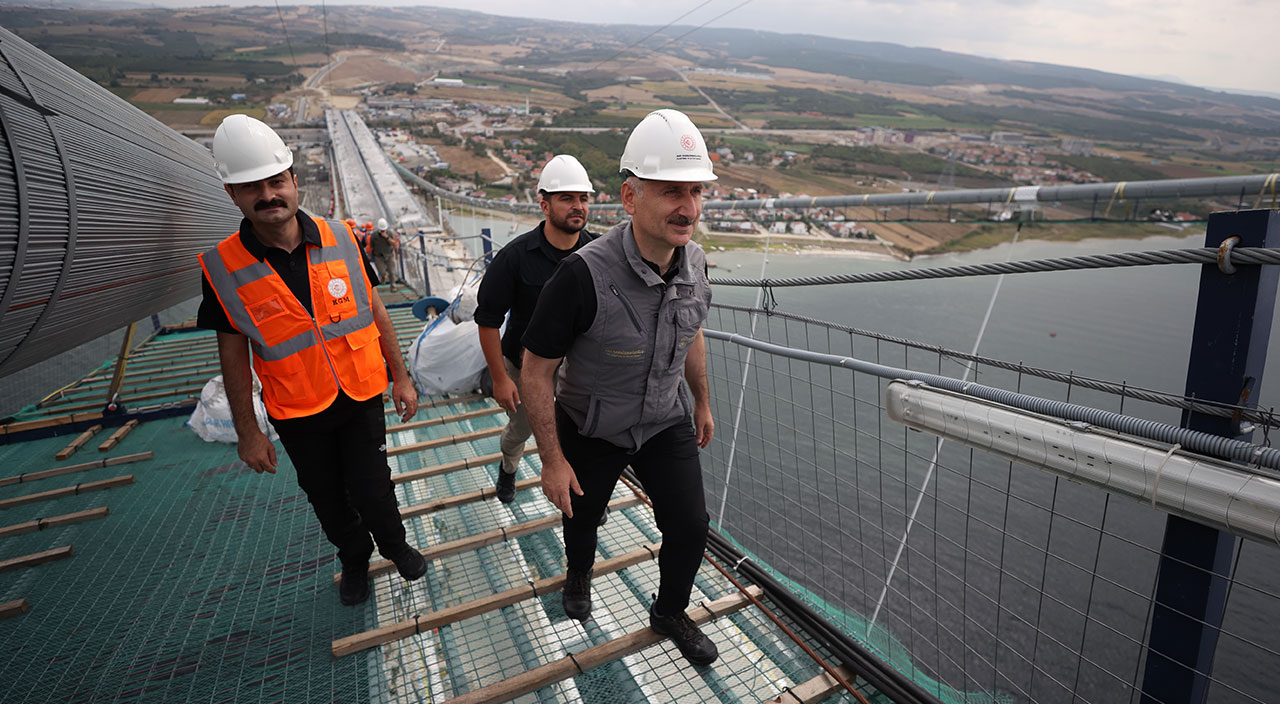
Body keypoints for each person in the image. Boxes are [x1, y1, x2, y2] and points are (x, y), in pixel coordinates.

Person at [196, 114, 426, 607]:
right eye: (252, 187)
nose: (268, 195)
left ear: (294, 181)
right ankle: (355, 559)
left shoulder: (341, 236)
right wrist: (248, 432)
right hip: (298, 409)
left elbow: (375, 309)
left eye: (276, 181)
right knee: (327, 500)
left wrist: (401, 377)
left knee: (373, 489)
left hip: (360, 393)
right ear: (232, 195)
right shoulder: (223, 267)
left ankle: (395, 546)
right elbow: (232, 353)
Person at [520, 110, 719, 666]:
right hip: (592, 424)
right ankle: (578, 572)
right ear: (631, 198)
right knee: (583, 518)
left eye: (696, 191)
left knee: (691, 525)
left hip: (663, 418)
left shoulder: (696, 263)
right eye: (671, 191)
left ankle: (670, 610)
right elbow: (535, 370)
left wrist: (702, 402)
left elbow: (691, 331)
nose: (689, 207)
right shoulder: (581, 275)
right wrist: (552, 460)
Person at [473, 155, 598, 504]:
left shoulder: (598, 252)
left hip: (577, 367)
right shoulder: (515, 257)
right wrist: (500, 379)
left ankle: (583, 493)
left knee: (579, 432)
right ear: (544, 205)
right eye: (567, 198)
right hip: (524, 366)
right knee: (521, 430)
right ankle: (508, 467)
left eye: (583, 198)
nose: (578, 206)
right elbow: (488, 320)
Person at [371, 217, 400, 291]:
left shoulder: (390, 233)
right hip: (379, 256)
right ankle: (383, 277)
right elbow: (371, 246)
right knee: (382, 272)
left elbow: (394, 243)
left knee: (391, 271)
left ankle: (393, 286)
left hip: (389, 255)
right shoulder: (374, 235)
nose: (383, 231)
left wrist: (387, 237)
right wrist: (370, 256)